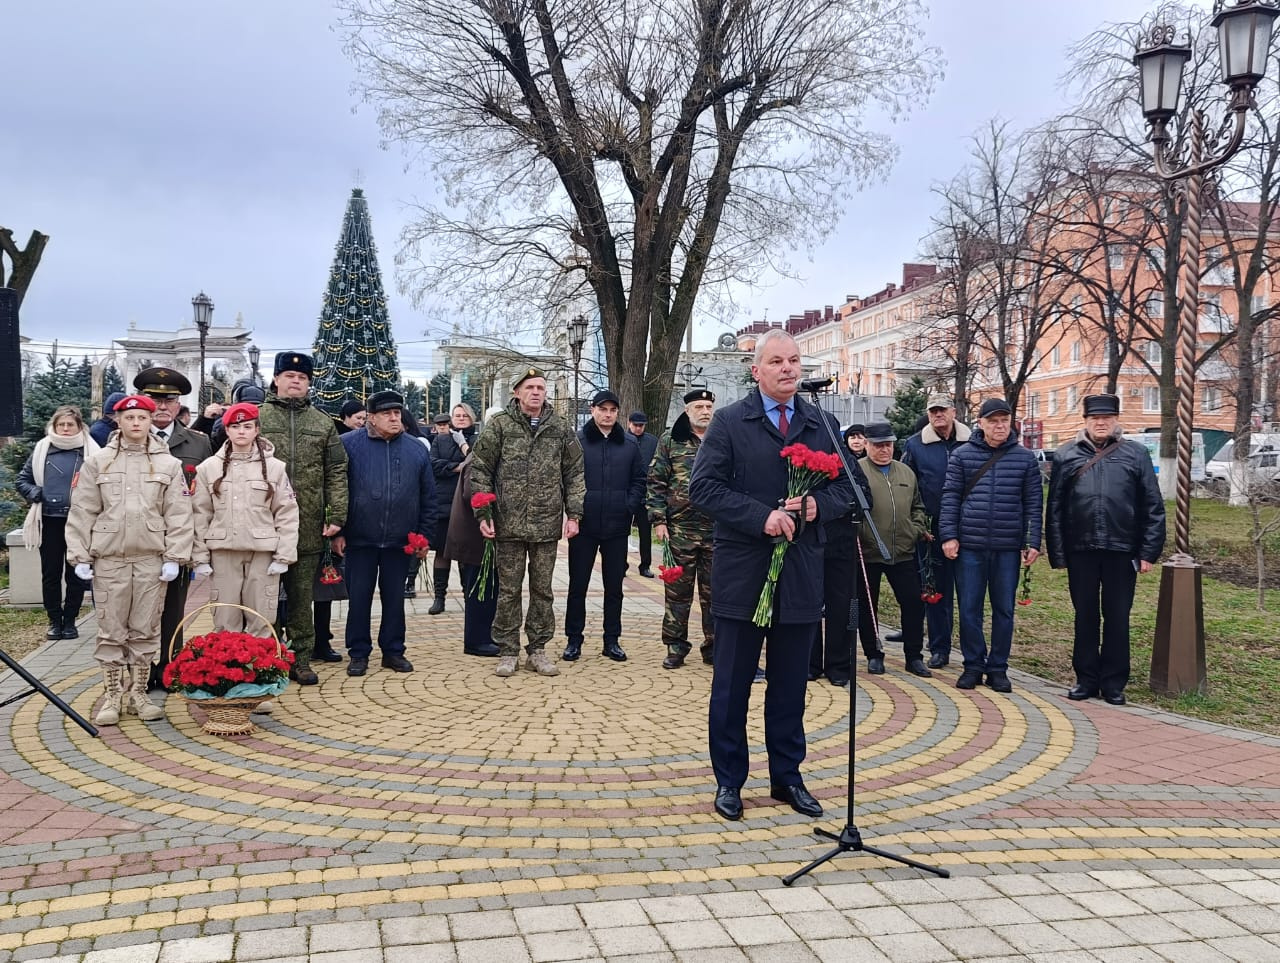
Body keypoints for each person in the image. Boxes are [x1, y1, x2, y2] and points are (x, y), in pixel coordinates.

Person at [689, 329, 854, 822]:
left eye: (795, 360)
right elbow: (704, 488)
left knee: (790, 686)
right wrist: (760, 516)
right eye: (777, 361)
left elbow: (850, 491)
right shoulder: (729, 422)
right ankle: (729, 781)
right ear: (755, 370)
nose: (788, 369)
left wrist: (813, 506)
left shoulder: (821, 423)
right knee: (732, 684)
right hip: (744, 572)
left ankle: (787, 777)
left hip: (801, 572)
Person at [64, 395, 194, 726]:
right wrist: (80, 554)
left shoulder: (168, 465)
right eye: (130, 417)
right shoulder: (99, 463)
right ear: (118, 421)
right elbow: (83, 510)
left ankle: (138, 692)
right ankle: (112, 695)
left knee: (146, 629)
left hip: (151, 559)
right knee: (110, 630)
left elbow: (179, 513)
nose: (136, 423)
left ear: (151, 422)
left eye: (142, 418)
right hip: (110, 559)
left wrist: (175, 556)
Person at [1046, 393, 1166, 706]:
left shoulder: (1135, 454)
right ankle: (1086, 679)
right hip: (1081, 550)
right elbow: (1055, 507)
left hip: (1121, 550)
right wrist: (1058, 553)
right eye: (1095, 418)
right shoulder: (1066, 455)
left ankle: (1113, 682)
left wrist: (1148, 551)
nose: (1101, 423)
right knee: (1084, 616)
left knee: (1117, 617)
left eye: (1107, 418)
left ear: (1116, 421)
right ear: (1085, 421)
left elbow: (1152, 505)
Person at [470, 367, 585, 679]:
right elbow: (480, 470)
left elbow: (574, 473)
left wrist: (574, 515)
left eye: (541, 387)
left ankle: (538, 649)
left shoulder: (560, 428)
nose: (537, 392)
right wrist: (484, 514)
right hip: (507, 524)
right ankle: (508, 650)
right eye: (530, 387)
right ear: (517, 392)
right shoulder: (500, 426)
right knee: (508, 590)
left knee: (542, 589)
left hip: (546, 525)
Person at [939, 398, 1042, 694]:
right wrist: (949, 536)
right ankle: (973, 665)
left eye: (1004, 421)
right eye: (993, 421)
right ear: (981, 423)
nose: (999, 426)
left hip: (1007, 547)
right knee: (970, 608)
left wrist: (1033, 541)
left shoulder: (1024, 459)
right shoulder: (962, 456)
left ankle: (998, 668)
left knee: (1004, 610)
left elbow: (1034, 503)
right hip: (969, 546)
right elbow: (950, 498)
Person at [258, 351, 348, 684]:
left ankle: (300, 658)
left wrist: (337, 513)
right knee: (263, 597)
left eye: (303, 378)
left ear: (309, 383)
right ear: (276, 379)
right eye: (290, 376)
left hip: (308, 524)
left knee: (300, 598)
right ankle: (264, 658)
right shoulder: (256, 418)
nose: (296, 382)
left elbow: (337, 469)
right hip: (262, 524)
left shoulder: (322, 422)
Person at [335, 391, 436, 676]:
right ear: (372, 417)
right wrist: (338, 531)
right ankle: (358, 652)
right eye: (387, 413)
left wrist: (424, 536)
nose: (395, 418)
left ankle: (393, 651)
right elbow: (338, 491)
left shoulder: (416, 448)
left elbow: (429, 496)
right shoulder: (348, 445)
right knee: (359, 598)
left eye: (398, 412)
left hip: (400, 541)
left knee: (394, 599)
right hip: (359, 538)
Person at [133, 366, 213, 690]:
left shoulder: (198, 443)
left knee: (174, 609)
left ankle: (170, 666)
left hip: (179, 541)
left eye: (170, 399)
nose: (162, 406)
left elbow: (205, 496)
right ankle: (139, 668)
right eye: (155, 398)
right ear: (143, 401)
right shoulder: (129, 442)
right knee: (138, 609)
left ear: (179, 404)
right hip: (139, 540)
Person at [190, 403, 299, 636]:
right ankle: (228, 670)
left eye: (248, 426)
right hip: (223, 552)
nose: (242, 431)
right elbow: (200, 515)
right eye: (235, 426)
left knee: (262, 617)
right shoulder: (208, 468)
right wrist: (199, 557)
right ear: (226, 430)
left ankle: (261, 670)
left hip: (262, 552)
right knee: (225, 617)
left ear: (257, 430)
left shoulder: (275, 468)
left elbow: (286, 513)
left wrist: (284, 555)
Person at [562, 390, 645, 663]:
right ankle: (574, 639)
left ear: (617, 412)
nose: (607, 414)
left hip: (617, 526)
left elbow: (639, 480)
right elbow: (567, 478)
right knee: (578, 586)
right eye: (602, 409)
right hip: (585, 525)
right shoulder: (578, 441)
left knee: (614, 587)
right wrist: (574, 511)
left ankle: (612, 640)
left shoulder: (629, 445)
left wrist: (628, 506)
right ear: (593, 409)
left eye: (612, 410)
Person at [648, 390, 717, 669]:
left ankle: (714, 646)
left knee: (716, 593)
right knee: (677, 593)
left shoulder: (722, 438)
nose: (705, 411)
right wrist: (659, 520)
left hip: (717, 530)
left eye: (709, 406)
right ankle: (676, 647)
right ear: (687, 410)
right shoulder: (671, 440)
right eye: (698, 406)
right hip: (680, 530)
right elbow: (655, 481)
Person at [856, 422, 931, 678]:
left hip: (903, 551)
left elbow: (918, 506)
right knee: (868, 606)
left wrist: (915, 529)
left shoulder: (906, 473)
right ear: (866, 444)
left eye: (888, 444)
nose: (884, 450)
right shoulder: (857, 471)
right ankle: (873, 654)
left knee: (912, 604)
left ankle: (914, 656)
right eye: (878, 445)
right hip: (868, 552)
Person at [19, 405, 100, 640]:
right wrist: (36, 493)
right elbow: (23, 479)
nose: (65, 429)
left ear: (79, 426)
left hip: (80, 521)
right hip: (50, 520)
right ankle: (54, 620)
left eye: (70, 425)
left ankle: (71, 621)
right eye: (61, 425)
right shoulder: (42, 450)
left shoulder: (91, 452)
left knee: (76, 573)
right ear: (54, 426)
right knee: (51, 573)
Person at [902, 393, 971, 669]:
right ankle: (940, 648)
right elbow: (909, 487)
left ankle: (972, 652)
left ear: (953, 412)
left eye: (942, 410)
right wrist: (918, 526)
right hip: (931, 530)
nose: (938, 415)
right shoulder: (915, 445)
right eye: (933, 411)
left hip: (968, 528)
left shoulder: (972, 441)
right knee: (936, 592)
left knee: (969, 594)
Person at [810, 421, 873, 688]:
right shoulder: (807, 456)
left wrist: (832, 506)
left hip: (841, 545)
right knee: (809, 606)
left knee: (842, 607)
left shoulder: (846, 461)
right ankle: (809, 663)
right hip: (809, 543)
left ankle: (838, 665)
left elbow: (864, 497)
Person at [442, 451, 501, 657]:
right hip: (475, 535)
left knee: (486, 587)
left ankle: (484, 636)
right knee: (479, 589)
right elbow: (472, 494)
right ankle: (477, 640)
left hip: (478, 534)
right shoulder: (478, 459)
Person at [427, 403, 477, 614]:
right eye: (457, 415)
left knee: (466, 553)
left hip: (467, 502)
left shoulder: (477, 439)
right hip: (444, 500)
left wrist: (464, 445)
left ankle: (469, 597)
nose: (461, 418)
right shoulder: (440, 439)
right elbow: (434, 463)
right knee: (442, 550)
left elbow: (476, 462)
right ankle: (440, 597)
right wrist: (456, 467)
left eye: (465, 415)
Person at [628, 411, 659, 577]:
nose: (638, 428)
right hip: (626, 493)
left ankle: (645, 565)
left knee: (645, 533)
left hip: (645, 495)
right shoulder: (622, 440)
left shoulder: (652, 441)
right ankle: (621, 564)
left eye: (641, 425)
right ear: (629, 424)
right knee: (621, 532)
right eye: (635, 425)